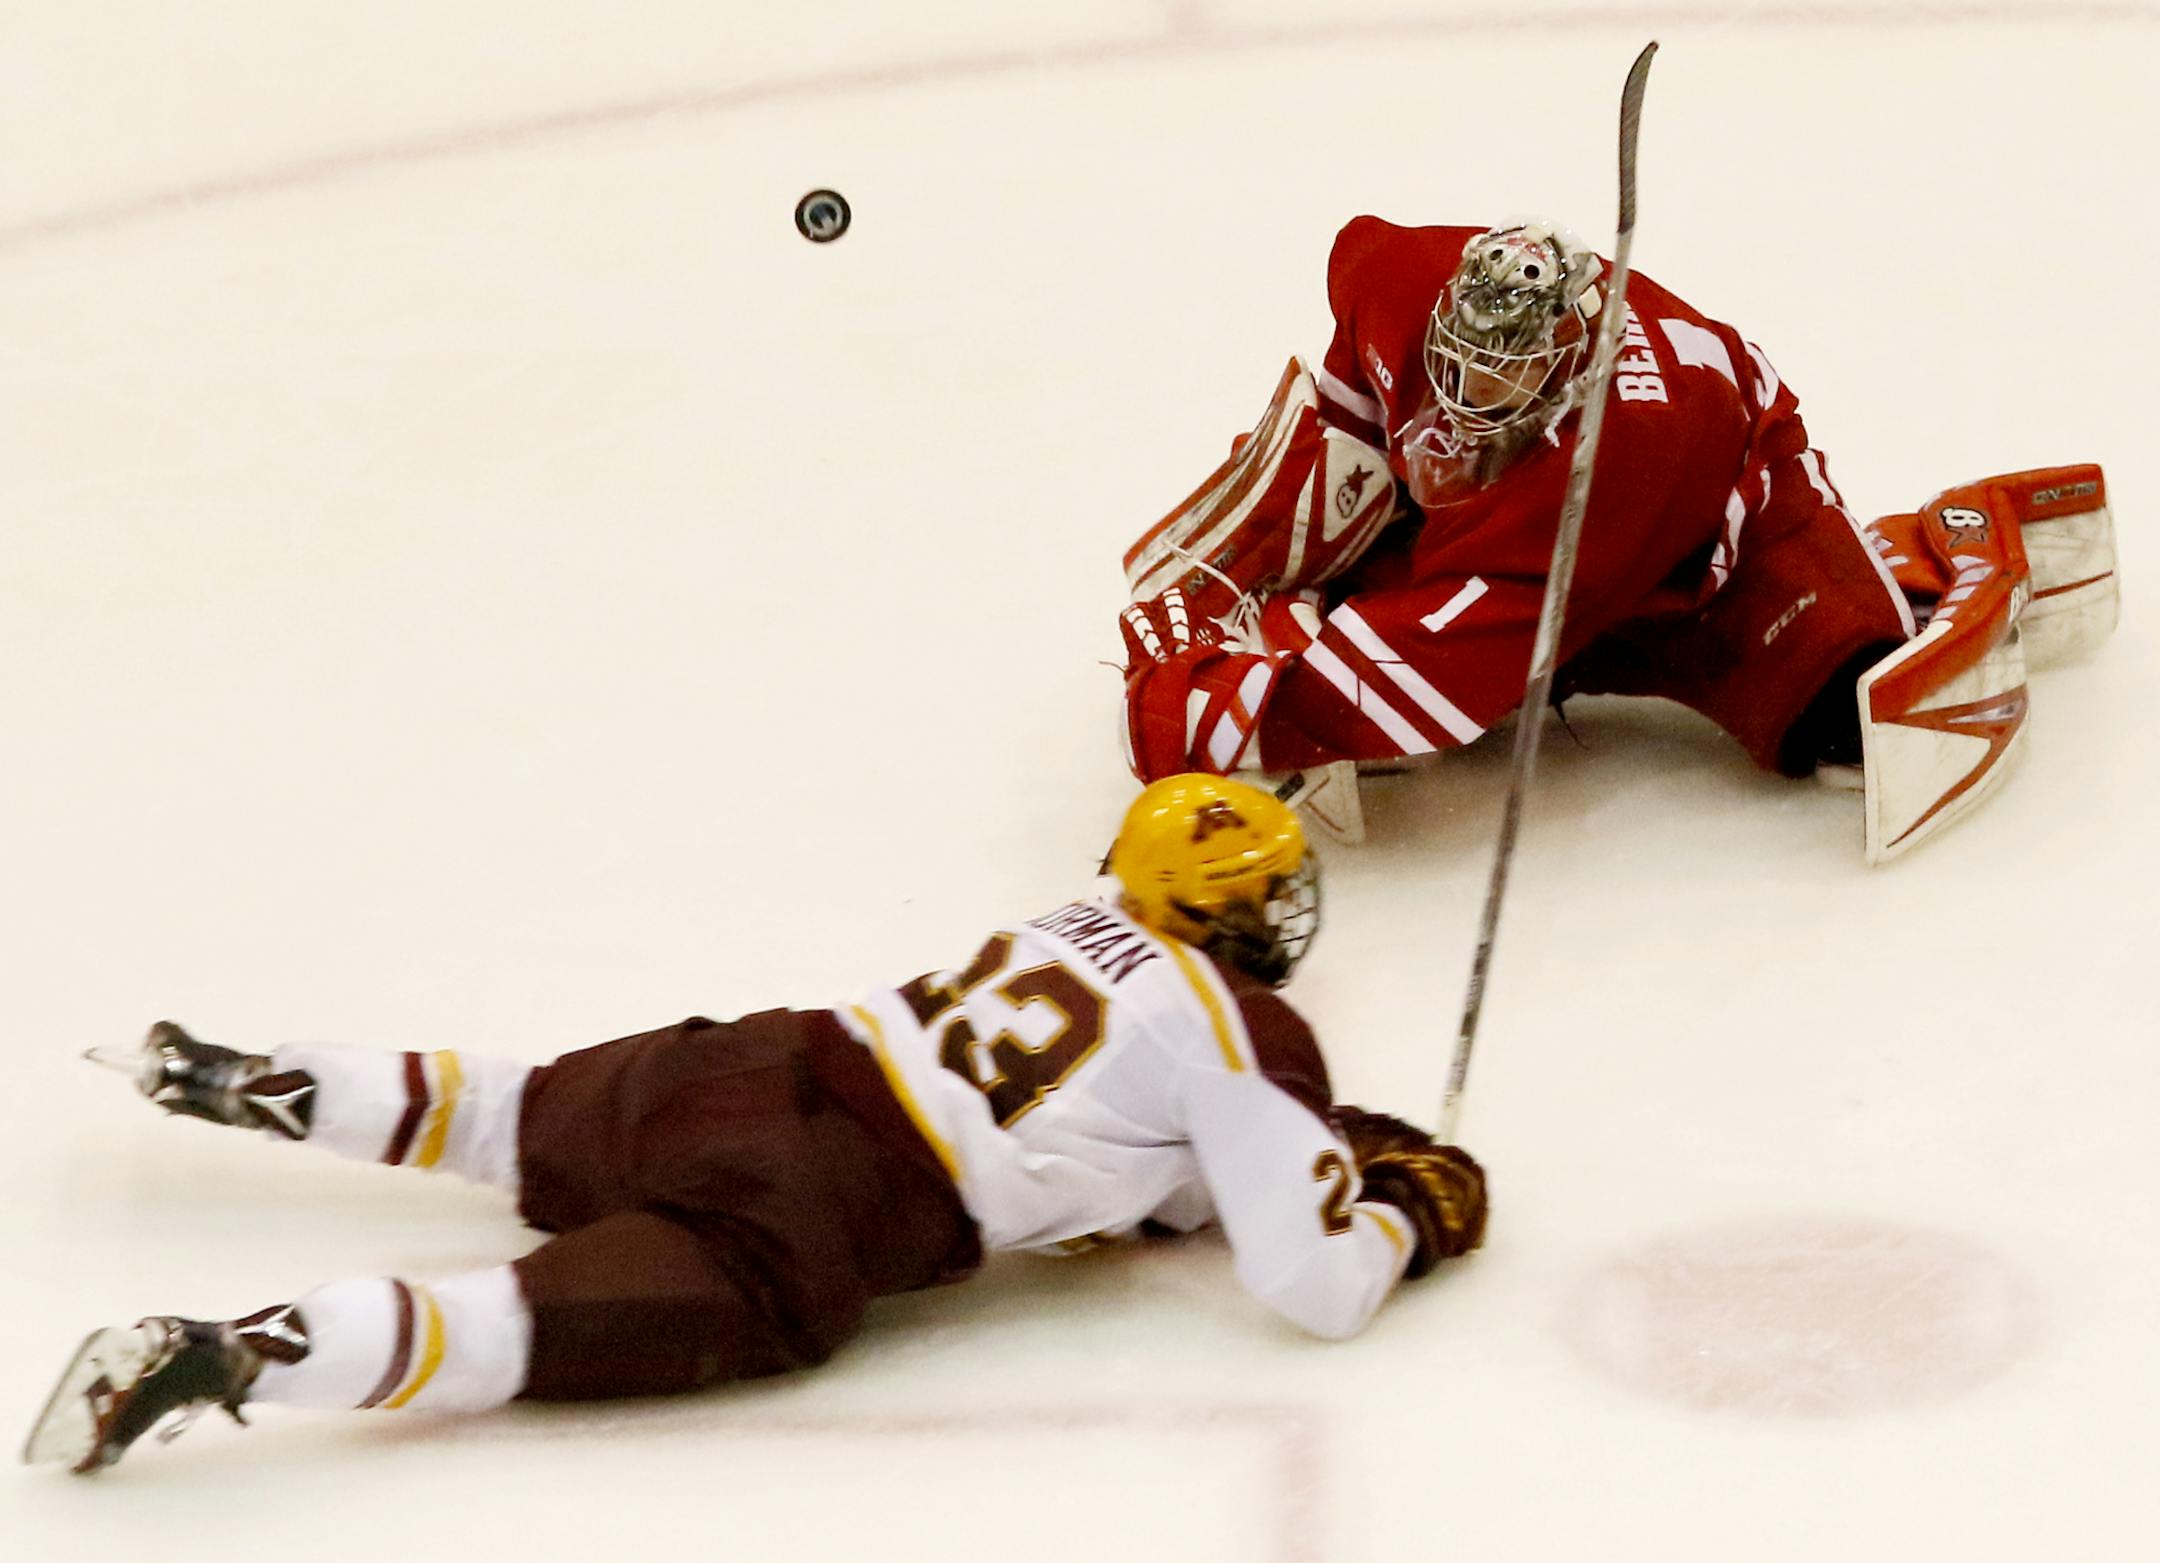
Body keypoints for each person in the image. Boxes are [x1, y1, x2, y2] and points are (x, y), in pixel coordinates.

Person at [23, 774, 1487, 1477]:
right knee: (514, 1322)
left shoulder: (1078, 909)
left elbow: (1149, 1157)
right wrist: (1403, 1205)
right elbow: (1311, 1281)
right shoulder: (1244, 1031)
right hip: (814, 1205)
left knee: (509, 1108)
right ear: (1243, 917)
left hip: (750, 1060)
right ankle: (229, 1353)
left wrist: (1283, 1151)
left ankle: (252, 1071)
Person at [1118, 218, 2117, 859]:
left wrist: (1196, 709)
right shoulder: (1405, 280)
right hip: (1560, 545)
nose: (1466, 398)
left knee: (1842, 718)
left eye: (1503, 382)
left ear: (1572, 371)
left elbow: (1421, 681)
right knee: (1361, 608)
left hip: (1726, 534)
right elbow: (1354, 395)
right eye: (1456, 363)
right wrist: (1276, 550)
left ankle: (1930, 557)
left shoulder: (1605, 466)